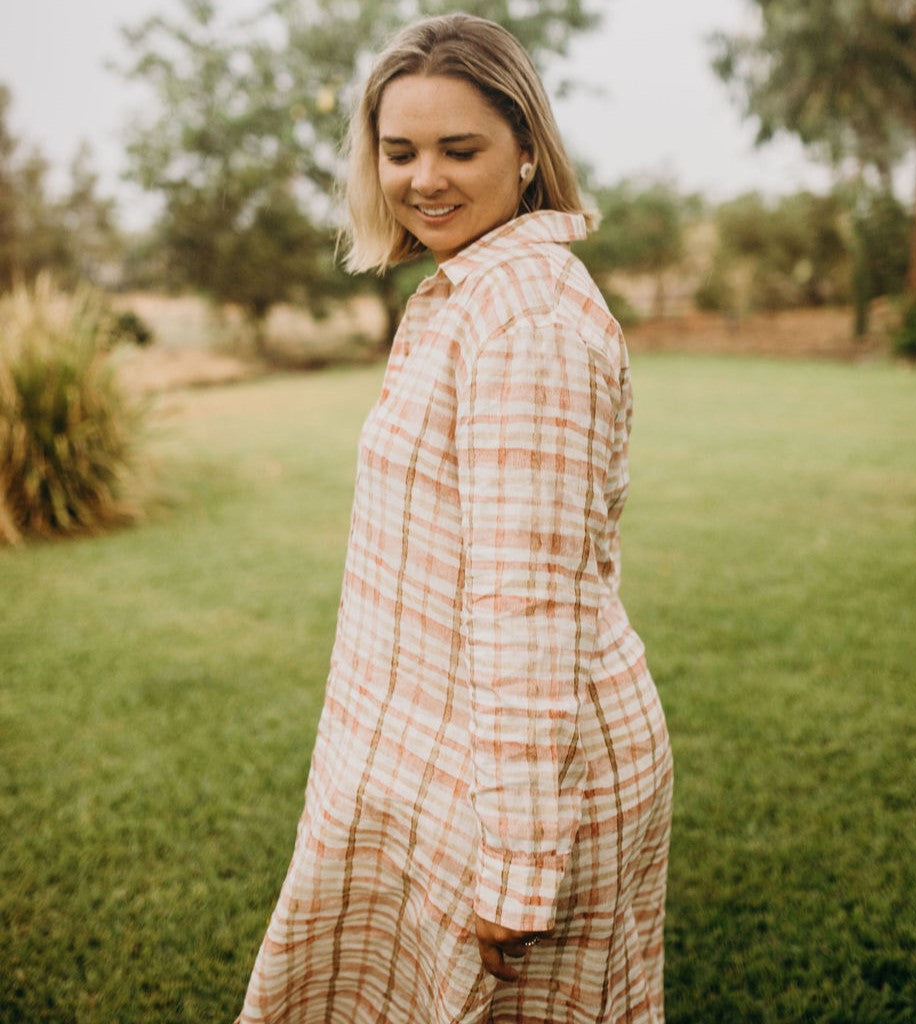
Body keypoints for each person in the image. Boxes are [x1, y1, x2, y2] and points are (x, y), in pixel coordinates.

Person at [236, 13, 672, 1024]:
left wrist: (519, 865)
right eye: (399, 151)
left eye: (458, 148)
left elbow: (524, 608)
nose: (422, 177)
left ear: (527, 152)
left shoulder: (527, 324)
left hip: (518, 800)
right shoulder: (467, 291)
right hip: (441, 768)